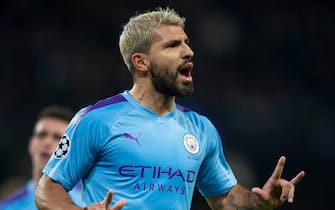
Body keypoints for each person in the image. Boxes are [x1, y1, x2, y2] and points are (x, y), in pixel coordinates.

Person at [35, 7, 305, 210]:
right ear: (141, 62)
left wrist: (260, 203)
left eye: (186, 42)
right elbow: (47, 190)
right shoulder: (96, 120)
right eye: (173, 45)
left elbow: (224, 198)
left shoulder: (201, 129)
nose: (188, 51)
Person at [0, 105, 83, 210]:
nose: (47, 142)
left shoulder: (89, 201)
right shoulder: (9, 206)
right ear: (31, 144)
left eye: (57, 138)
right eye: (42, 135)